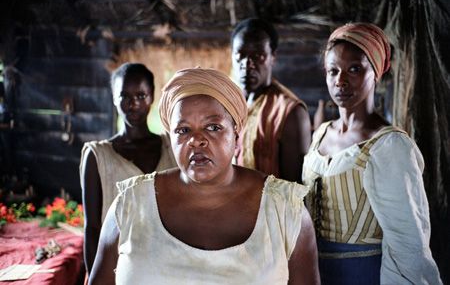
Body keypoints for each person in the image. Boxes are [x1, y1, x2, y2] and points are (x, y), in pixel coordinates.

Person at [89, 68, 320, 284]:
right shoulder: (129, 204)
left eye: (213, 127)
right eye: (183, 130)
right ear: (171, 138)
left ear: (236, 134)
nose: (196, 140)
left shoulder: (285, 211)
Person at [302, 23, 442, 284]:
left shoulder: (389, 146)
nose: (340, 80)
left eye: (354, 69)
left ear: (375, 72)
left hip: (365, 274)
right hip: (315, 273)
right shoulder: (320, 133)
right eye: (333, 71)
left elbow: (408, 241)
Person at [79, 63, 176, 276]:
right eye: (124, 96)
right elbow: (92, 227)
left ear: (152, 97)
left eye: (141, 96)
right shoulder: (98, 156)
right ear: (114, 98)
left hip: (168, 266)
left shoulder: (172, 149)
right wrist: (95, 278)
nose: (133, 104)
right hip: (118, 269)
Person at [231, 18, 311, 183]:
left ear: (272, 57)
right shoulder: (227, 105)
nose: (247, 64)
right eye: (240, 55)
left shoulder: (290, 112)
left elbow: (293, 189)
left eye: (258, 56)